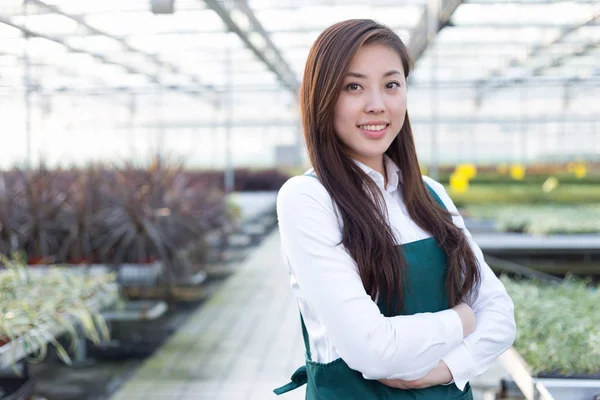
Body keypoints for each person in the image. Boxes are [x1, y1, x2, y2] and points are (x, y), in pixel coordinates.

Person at [273, 19, 516, 400]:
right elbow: (374, 350)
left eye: (391, 85)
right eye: (353, 87)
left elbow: (500, 315)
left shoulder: (430, 194)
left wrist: (445, 370)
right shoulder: (307, 200)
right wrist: (463, 320)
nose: (376, 105)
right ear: (322, 98)